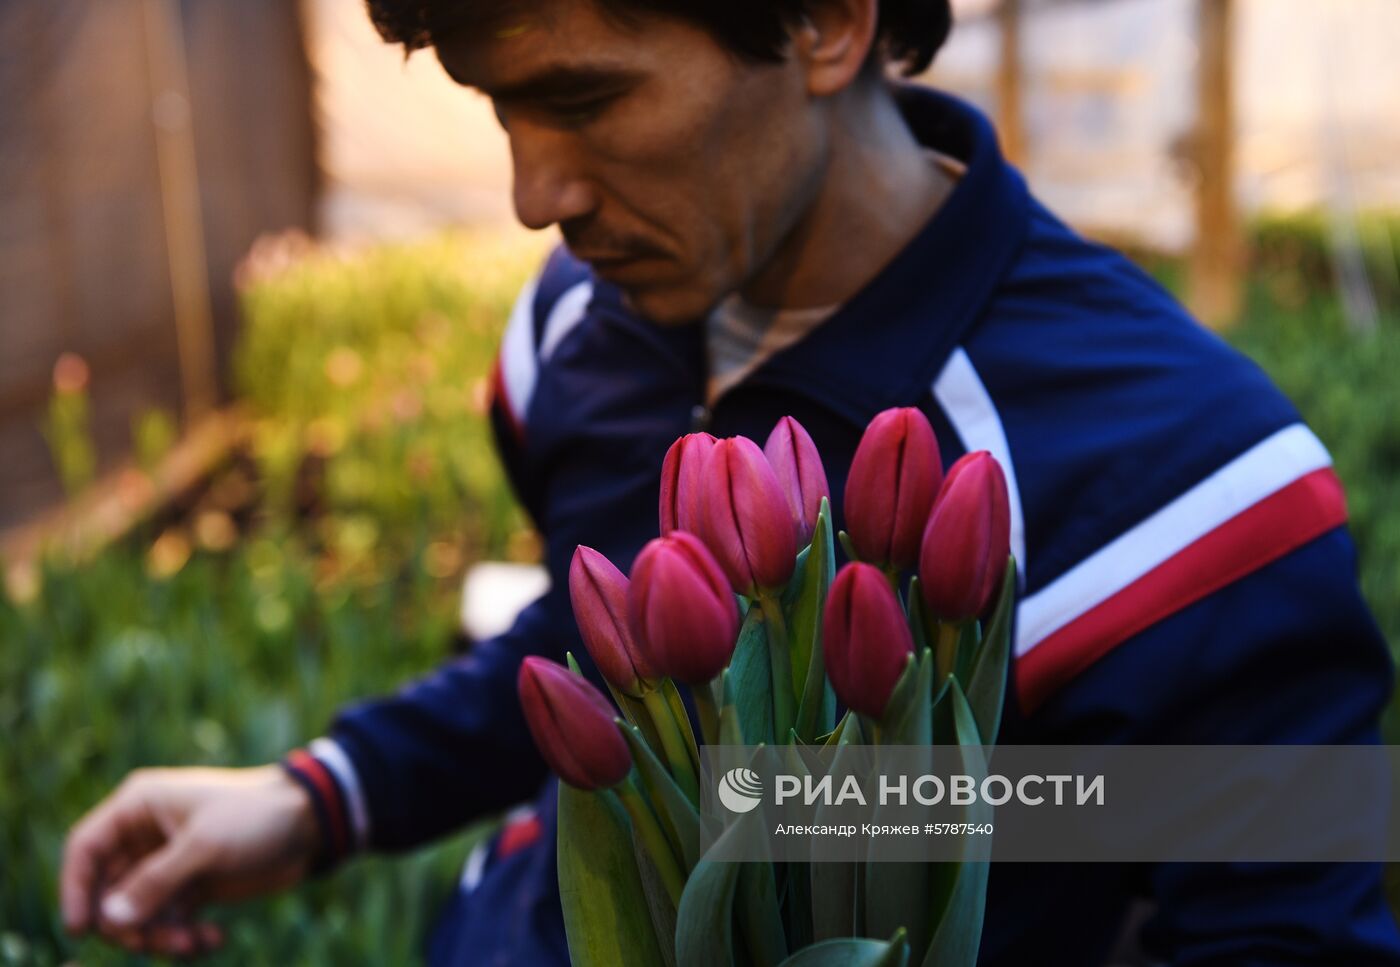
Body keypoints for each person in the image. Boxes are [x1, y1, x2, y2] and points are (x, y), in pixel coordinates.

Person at [61, 0, 1400, 963]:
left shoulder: (1190, 485)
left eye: (583, 97)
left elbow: (1283, 918)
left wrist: (864, 802)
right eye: (495, 104)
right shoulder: (573, 334)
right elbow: (593, 656)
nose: (535, 194)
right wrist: (323, 794)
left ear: (824, 24)